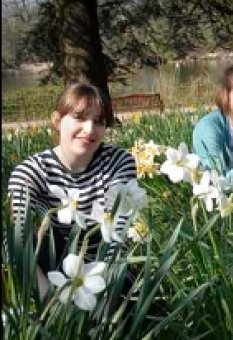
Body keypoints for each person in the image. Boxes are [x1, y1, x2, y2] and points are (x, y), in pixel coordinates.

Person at [7, 82, 137, 298]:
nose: (89, 129)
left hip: (102, 266)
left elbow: (118, 233)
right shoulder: (31, 172)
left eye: (99, 122)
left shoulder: (118, 162)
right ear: (57, 121)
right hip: (51, 266)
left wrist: (98, 291)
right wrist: (47, 299)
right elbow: (17, 240)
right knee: (15, 232)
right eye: (79, 117)